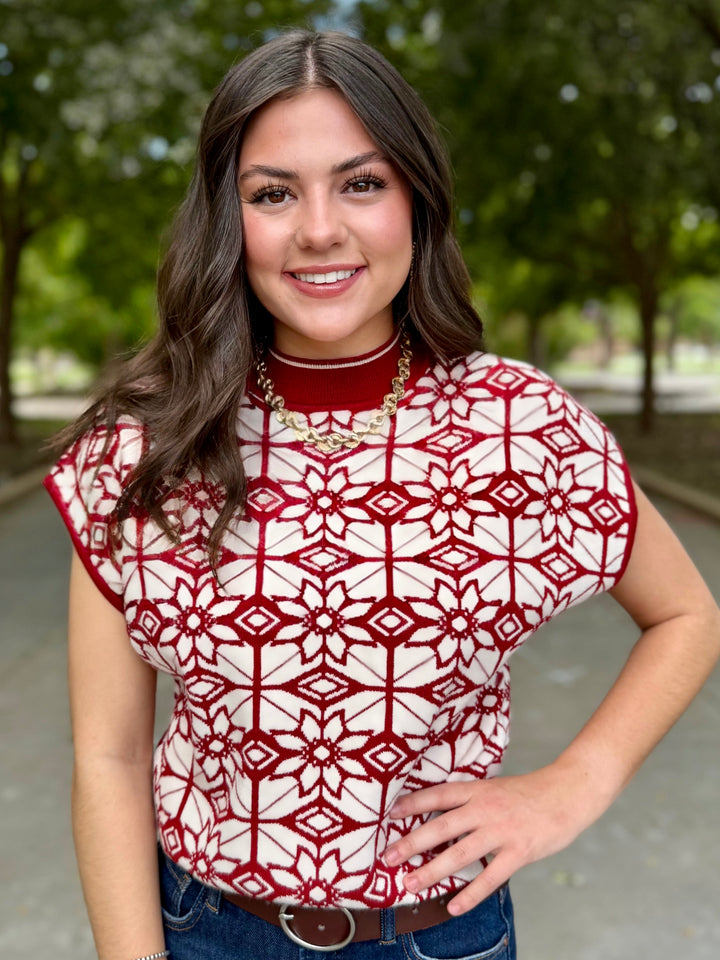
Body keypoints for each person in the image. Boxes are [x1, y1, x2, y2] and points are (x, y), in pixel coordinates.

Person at [45, 29, 720, 960]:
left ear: (417, 198)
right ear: (225, 218)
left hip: (443, 939)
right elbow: (109, 760)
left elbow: (688, 613)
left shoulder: (522, 423)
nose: (319, 228)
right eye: (273, 193)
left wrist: (575, 782)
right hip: (203, 935)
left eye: (361, 183)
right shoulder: (144, 448)